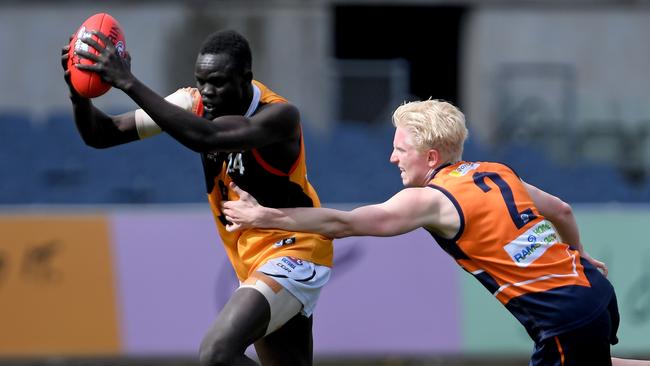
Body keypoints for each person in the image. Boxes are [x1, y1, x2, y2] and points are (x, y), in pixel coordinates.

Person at [222, 99, 648, 366]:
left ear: (429, 156)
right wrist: (580, 256)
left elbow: (341, 224)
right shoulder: (497, 171)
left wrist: (263, 216)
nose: (391, 158)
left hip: (563, 318)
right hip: (592, 291)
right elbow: (561, 209)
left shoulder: (432, 199)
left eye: (399, 148)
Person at [61, 29, 333, 366]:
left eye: (217, 82)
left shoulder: (278, 117)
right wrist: (78, 94)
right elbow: (102, 135)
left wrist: (128, 81)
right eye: (201, 81)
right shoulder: (194, 103)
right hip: (250, 261)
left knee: (217, 353)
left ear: (245, 78)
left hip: (295, 249)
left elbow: (207, 137)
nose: (207, 92)